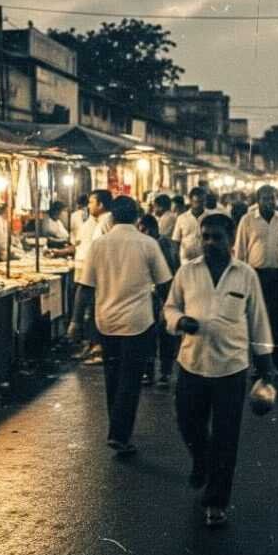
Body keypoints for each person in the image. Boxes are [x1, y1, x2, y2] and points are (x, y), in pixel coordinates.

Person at [165, 213, 274, 527]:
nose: (210, 243)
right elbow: (170, 307)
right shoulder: (187, 272)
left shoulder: (246, 275)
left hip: (231, 368)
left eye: (217, 237)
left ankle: (216, 501)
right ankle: (201, 460)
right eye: (206, 237)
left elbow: (258, 319)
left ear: (230, 240)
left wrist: (264, 366)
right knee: (188, 424)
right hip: (192, 364)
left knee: (226, 437)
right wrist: (179, 321)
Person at [72, 196, 172, 457]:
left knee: (113, 377)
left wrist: (75, 321)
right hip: (138, 322)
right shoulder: (148, 244)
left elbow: (84, 288)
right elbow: (164, 284)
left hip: (106, 322)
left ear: (112, 217)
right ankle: (119, 434)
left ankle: (117, 430)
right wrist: (169, 310)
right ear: (138, 217)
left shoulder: (98, 245)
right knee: (130, 379)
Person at [234, 184, 278, 375]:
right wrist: (239, 276)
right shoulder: (247, 220)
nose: (269, 202)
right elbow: (240, 251)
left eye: (272, 198)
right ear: (258, 200)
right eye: (265, 198)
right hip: (256, 276)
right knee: (256, 321)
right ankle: (260, 363)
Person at [137, 214, 182, 388]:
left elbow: (169, 274)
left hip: (164, 296)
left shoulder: (163, 245)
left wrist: (167, 302)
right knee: (149, 336)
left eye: (143, 229)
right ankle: (150, 372)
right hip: (150, 296)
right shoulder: (147, 244)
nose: (141, 232)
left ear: (152, 229)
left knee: (165, 335)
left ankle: (164, 373)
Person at [70, 189, 114, 364]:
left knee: (95, 310)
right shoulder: (95, 221)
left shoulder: (106, 222)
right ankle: (93, 346)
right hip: (90, 270)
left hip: (97, 274)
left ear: (101, 205)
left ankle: (98, 348)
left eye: (91, 202)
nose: (88, 206)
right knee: (92, 310)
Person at [173, 186, 210, 264]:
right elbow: (176, 240)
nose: (200, 205)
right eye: (197, 202)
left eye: (202, 202)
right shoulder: (182, 218)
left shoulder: (210, 217)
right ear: (190, 201)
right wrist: (176, 259)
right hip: (186, 260)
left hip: (205, 259)